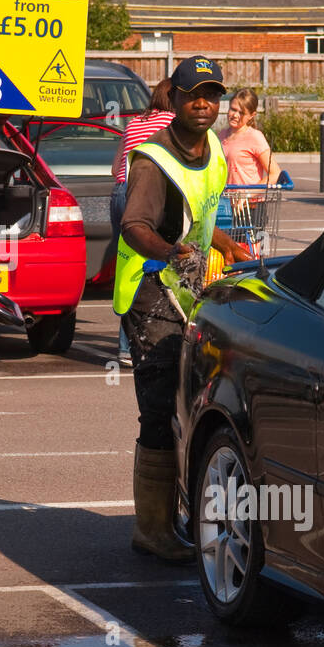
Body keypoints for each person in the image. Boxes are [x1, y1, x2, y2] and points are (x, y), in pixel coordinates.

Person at [113, 57, 248, 562]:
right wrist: (171, 252)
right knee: (158, 409)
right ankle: (151, 528)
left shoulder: (212, 147)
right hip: (149, 291)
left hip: (186, 286)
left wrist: (226, 243)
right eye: (194, 94)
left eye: (212, 96)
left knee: (187, 401)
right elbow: (133, 226)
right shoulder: (153, 160)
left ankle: (177, 515)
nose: (204, 104)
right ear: (174, 98)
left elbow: (201, 210)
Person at [110, 78, 175, 365]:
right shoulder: (173, 123)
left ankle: (124, 347)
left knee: (128, 270)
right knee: (157, 269)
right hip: (148, 197)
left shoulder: (134, 122)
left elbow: (115, 168)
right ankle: (153, 343)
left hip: (121, 193)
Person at [219, 87, 288, 187]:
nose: (235, 115)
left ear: (252, 115)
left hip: (249, 202)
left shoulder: (255, 137)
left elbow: (275, 173)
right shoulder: (221, 135)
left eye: (241, 113)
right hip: (225, 200)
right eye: (233, 109)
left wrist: (248, 195)